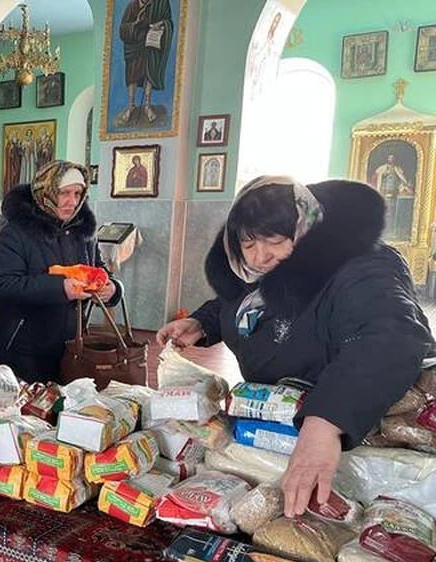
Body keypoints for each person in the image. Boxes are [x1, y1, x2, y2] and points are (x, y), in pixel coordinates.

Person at [156, 176, 434, 519]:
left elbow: (390, 335)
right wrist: (202, 322)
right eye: (248, 241)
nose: (260, 257)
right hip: (273, 427)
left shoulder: (361, 266)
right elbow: (243, 304)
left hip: (349, 444)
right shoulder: (254, 273)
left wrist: (326, 422)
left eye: (274, 240)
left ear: (306, 229)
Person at [0, 161, 120, 383]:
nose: (72, 201)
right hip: (20, 347)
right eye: (64, 193)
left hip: (68, 346)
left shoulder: (82, 231)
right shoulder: (16, 232)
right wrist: (60, 288)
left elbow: (98, 270)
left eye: (78, 193)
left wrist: (112, 289)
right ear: (45, 192)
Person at [117, 0, 174, 125]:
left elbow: (168, 21)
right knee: (132, 74)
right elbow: (122, 29)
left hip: (151, 43)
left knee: (149, 71)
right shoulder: (132, 6)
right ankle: (131, 105)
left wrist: (161, 24)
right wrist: (135, 24)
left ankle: (147, 105)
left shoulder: (161, 4)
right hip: (134, 45)